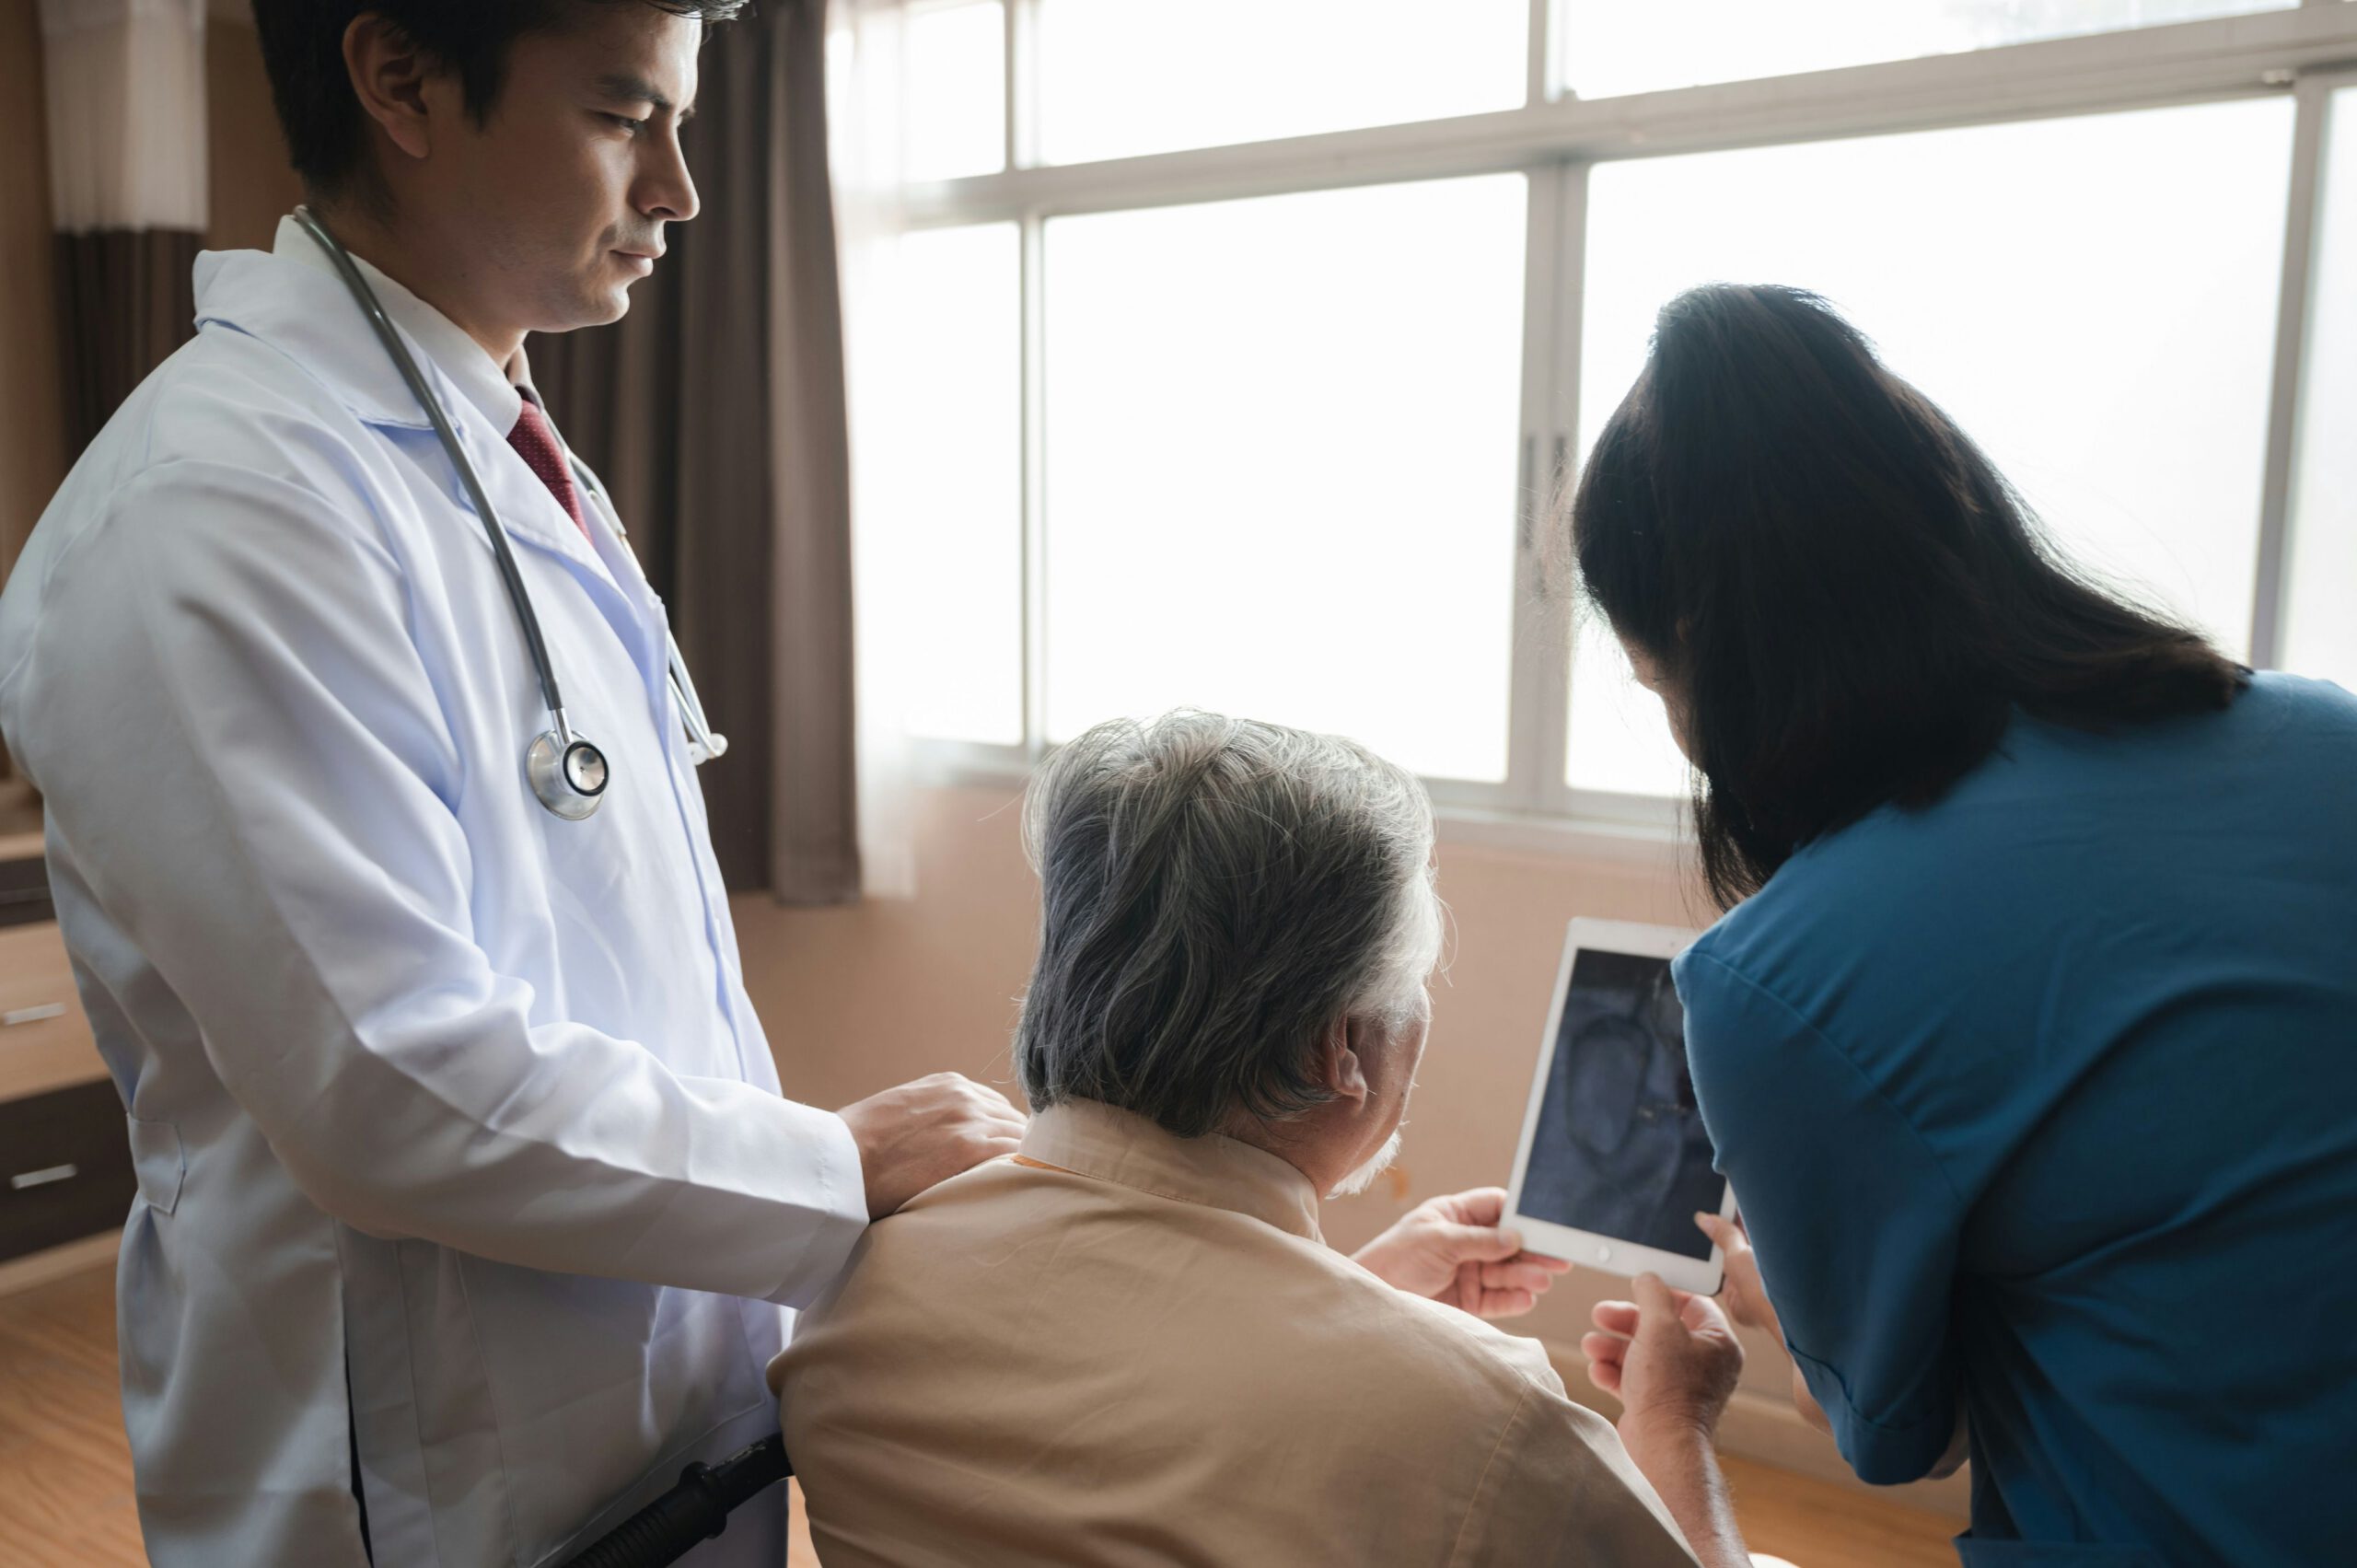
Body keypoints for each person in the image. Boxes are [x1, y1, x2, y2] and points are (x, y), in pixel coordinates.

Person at [0, 5, 1027, 1562]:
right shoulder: (217, 508)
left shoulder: (503, 444)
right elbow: (388, 1084)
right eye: (627, 116)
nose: (680, 185)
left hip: (654, 1422)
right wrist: (838, 1161)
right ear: (401, 79)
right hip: (430, 1480)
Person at [1567, 283, 2357, 1566]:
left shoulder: (1781, 976)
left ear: (1716, 646)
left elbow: (1896, 1434)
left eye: (1659, 683)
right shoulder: (2330, 736)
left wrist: (1782, 1301)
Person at [772, 713, 1764, 1568]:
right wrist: (1671, 1426)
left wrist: (1360, 1287)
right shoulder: (1482, 1421)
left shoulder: (849, 1295)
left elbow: (1130, 1417)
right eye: (1413, 983)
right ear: (1344, 1044)